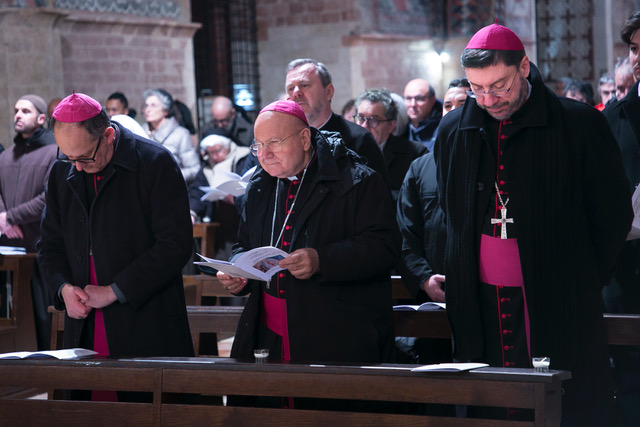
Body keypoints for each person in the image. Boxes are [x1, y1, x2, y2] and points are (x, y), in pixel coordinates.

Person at [434, 22, 631, 425]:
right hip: (478, 298)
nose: (488, 100)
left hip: (558, 293)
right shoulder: (455, 129)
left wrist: (582, 277)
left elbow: (612, 214)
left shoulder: (577, 123)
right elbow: (448, 208)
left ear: (524, 67)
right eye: (476, 88)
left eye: (499, 86)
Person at [218, 100, 399, 370]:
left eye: (274, 142)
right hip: (268, 329)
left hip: (333, 329)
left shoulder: (357, 179)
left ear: (304, 139)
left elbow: (385, 247)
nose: (265, 154)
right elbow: (243, 244)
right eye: (259, 145)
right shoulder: (259, 185)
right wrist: (239, 273)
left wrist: (322, 260)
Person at [38, 92, 194, 372]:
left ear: (108, 135)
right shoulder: (62, 171)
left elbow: (175, 244)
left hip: (145, 317)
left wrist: (114, 291)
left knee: (140, 397)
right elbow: (49, 244)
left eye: (84, 157)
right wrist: (63, 289)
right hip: (83, 319)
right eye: (68, 157)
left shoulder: (154, 162)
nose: (77, 167)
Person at [602, 11, 640, 426]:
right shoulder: (613, 117)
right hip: (627, 269)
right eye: (633, 49)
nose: (638, 58)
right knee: (630, 382)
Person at [0, 94, 57, 350]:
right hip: (8, 250)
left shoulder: (53, 152)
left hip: (37, 247)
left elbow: (47, 198)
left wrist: (10, 217)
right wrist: (3, 219)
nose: (18, 115)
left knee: (40, 316)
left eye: (25, 111)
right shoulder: (5, 156)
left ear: (42, 118)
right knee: (8, 316)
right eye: (16, 110)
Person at [285, 58, 390, 184]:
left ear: (328, 92)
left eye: (304, 85)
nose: (296, 92)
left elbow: (378, 191)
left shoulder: (359, 139)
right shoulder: (285, 140)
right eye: (291, 88)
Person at [189, 128, 256, 260]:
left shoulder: (243, 158)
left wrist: (235, 198)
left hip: (243, 219)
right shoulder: (208, 166)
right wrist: (192, 212)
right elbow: (197, 191)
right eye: (211, 152)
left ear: (228, 146)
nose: (215, 156)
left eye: (218, 151)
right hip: (220, 223)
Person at [353, 88, 426, 204]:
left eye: (373, 119)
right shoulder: (345, 152)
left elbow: (416, 197)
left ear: (391, 125)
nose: (365, 126)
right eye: (361, 118)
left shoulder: (415, 153)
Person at [141, 88, 200, 184]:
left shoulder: (180, 134)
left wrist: (169, 176)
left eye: (153, 105)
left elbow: (194, 169)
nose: (148, 110)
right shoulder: (140, 132)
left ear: (165, 110)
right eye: (146, 105)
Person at [403, 78, 443, 151]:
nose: (413, 104)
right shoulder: (398, 126)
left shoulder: (443, 127)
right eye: (408, 98)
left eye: (419, 98)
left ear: (432, 100)